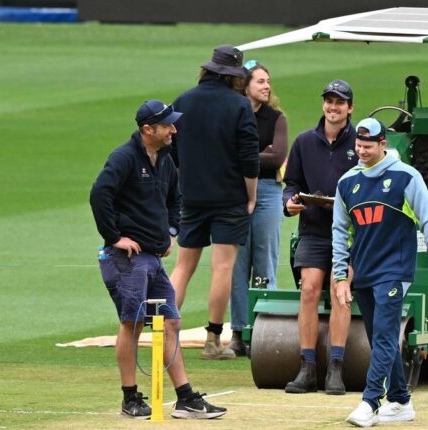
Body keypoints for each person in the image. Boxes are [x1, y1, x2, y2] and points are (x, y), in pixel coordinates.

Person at [89, 100, 227, 419]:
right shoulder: (124, 157)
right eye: (167, 125)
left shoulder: (164, 158)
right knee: (133, 323)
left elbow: (175, 199)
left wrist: (171, 232)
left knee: (171, 322)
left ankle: (185, 398)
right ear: (148, 129)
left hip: (153, 258)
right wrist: (114, 237)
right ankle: (130, 398)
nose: (174, 130)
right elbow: (99, 195)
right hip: (127, 259)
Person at [332, 118, 428, 427]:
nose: (361, 151)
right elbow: (340, 232)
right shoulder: (347, 183)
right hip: (364, 272)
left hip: (394, 270)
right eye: (358, 146)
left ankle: (370, 402)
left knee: (385, 335)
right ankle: (400, 400)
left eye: (368, 146)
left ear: (383, 144)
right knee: (380, 339)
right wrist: (340, 277)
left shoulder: (406, 177)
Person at [169, 44, 260, 360]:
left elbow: (171, 152)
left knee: (183, 266)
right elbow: (249, 159)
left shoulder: (183, 101)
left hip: (192, 196)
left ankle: (165, 334)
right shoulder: (239, 105)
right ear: (234, 76)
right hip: (229, 198)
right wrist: (251, 196)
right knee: (222, 267)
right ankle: (212, 340)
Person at [282, 79, 358, 395]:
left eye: (339, 102)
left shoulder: (360, 142)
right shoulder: (303, 142)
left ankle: (336, 369)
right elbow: (291, 183)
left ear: (350, 108)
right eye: (329, 101)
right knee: (309, 290)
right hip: (313, 230)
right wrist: (289, 202)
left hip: (348, 235)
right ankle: (308, 368)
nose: (332, 107)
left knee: (340, 291)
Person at [229, 60, 288, 355]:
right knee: (237, 264)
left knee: (265, 262)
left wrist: (241, 154)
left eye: (268, 81)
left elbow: (277, 157)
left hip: (267, 191)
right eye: (260, 81)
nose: (266, 86)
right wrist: (257, 153)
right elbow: (223, 151)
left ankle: (263, 331)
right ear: (245, 86)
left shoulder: (276, 118)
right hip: (234, 192)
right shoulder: (232, 114)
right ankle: (239, 331)